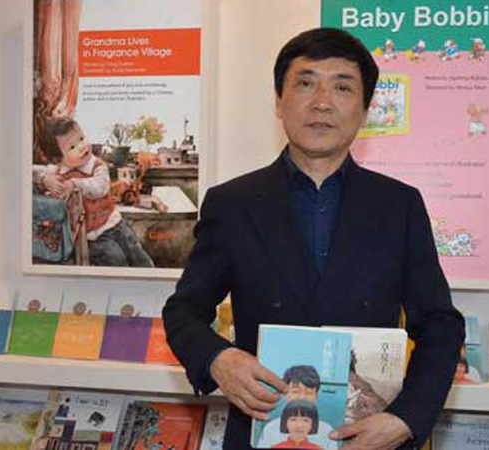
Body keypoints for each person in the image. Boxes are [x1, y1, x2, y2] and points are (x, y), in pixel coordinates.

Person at [163, 27, 465, 450]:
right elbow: (183, 311)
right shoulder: (232, 203)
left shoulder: (400, 205)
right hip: (263, 431)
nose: (322, 101)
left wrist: (406, 419)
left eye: (342, 86)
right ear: (278, 101)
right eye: (305, 83)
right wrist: (218, 359)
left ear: (365, 109)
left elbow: (440, 325)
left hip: (365, 438)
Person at [32, 117, 154, 267]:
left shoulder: (97, 165)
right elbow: (29, 170)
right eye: (72, 147)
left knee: (138, 255)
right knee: (115, 260)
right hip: (90, 238)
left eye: (81, 138)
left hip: (114, 224)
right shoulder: (57, 170)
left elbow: (100, 187)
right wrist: (44, 179)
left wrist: (75, 183)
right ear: (57, 159)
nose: (82, 147)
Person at [256, 366, 335, 449]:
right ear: (284, 394)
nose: (302, 398)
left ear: (316, 396)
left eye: (309, 393)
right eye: (296, 392)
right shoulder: (271, 428)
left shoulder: (327, 430)